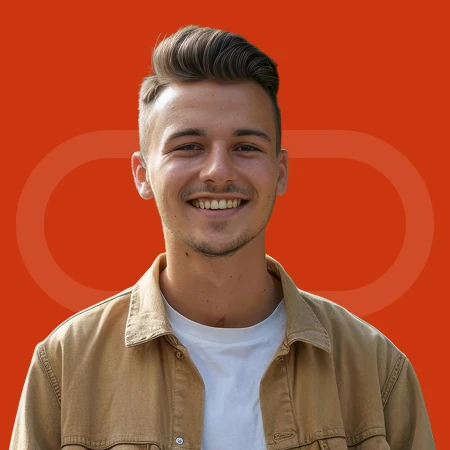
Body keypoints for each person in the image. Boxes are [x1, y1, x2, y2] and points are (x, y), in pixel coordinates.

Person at [10, 25, 435, 450]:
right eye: (188, 146)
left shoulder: (376, 368)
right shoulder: (65, 366)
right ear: (142, 174)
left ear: (280, 172)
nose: (218, 171)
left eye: (246, 146)